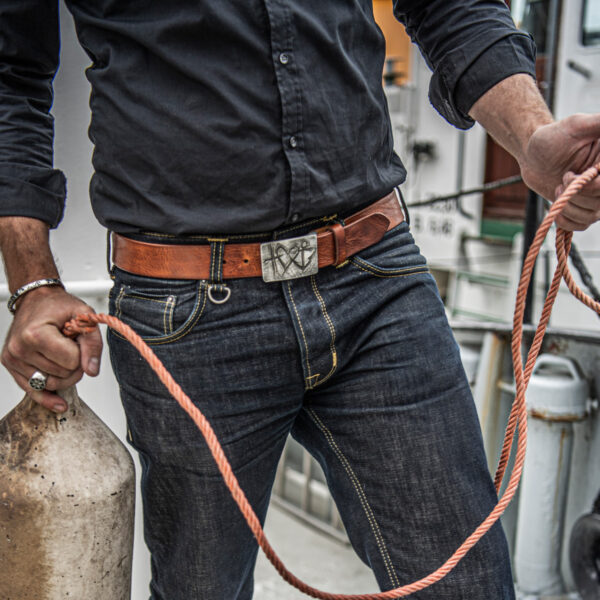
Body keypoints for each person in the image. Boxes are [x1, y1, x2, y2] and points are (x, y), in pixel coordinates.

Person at [1, 1, 599, 598]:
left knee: (470, 586)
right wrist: (32, 280)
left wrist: (531, 137)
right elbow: (10, 73)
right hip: (185, 310)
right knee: (201, 590)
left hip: (376, 276)